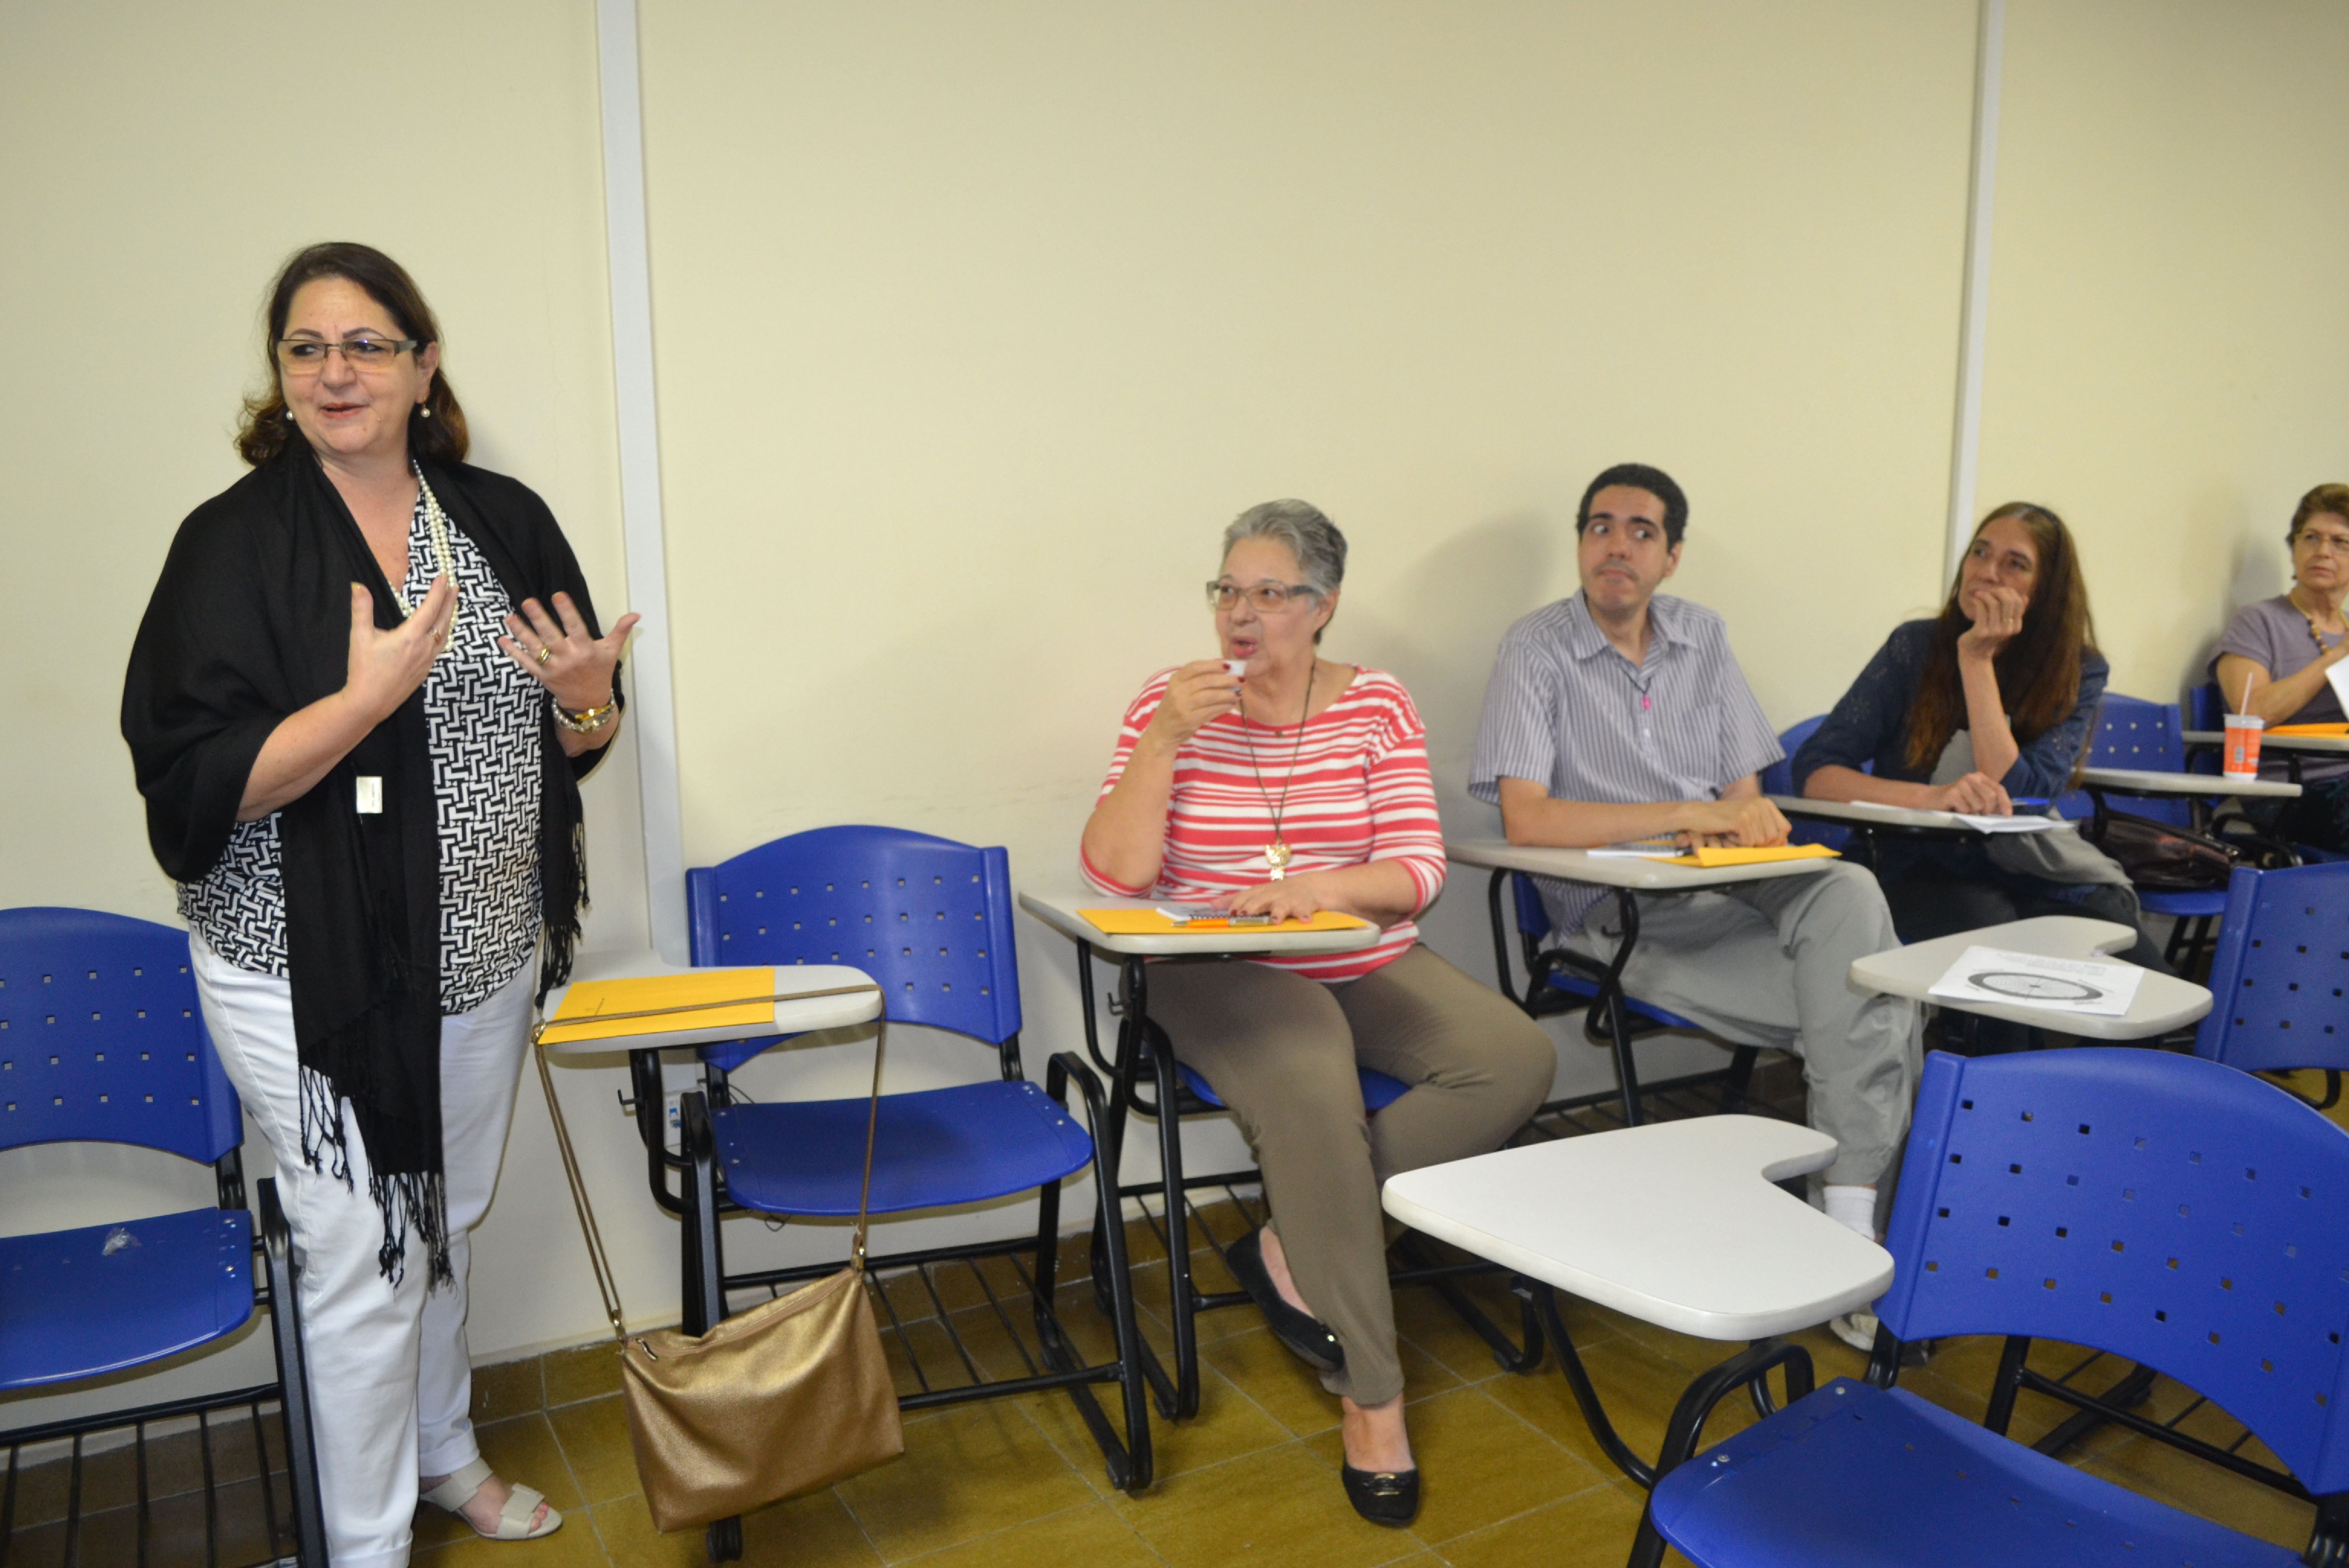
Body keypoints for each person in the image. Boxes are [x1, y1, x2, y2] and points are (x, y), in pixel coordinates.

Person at [122, 243, 639, 1566]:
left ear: (422, 365)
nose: (336, 370)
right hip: (309, 966)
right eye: (307, 347)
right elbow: (194, 783)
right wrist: (362, 702)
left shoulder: (501, 518)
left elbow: (572, 738)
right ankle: (364, 1545)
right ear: (280, 375)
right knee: (363, 1252)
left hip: (482, 951)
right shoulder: (231, 546)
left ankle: (444, 1452)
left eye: (366, 344)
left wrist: (588, 702)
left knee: (439, 1217)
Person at [1080, 500, 1553, 1526]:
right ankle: (1373, 1398)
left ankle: (1295, 1241)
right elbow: (1115, 874)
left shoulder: (1376, 702)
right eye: (1227, 590)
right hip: (1213, 966)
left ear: (1323, 604)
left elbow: (1418, 869)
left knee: (1513, 1056)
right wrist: (1164, 738)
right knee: (1310, 1075)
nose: (1239, 614)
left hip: (1357, 951)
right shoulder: (1168, 703)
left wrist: (1323, 887)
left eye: (1269, 593)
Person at [1467, 462, 1922, 1351]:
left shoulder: (1702, 635)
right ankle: (1851, 1235)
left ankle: (1842, 1232)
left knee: (1851, 892)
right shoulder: (1534, 648)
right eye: (1599, 526)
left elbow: (1743, 797)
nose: (1616, 546)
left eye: (1640, 531)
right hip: (1620, 913)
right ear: (1580, 544)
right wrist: (1684, 812)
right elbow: (1527, 818)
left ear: (1671, 556)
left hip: (1729, 887)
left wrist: (1742, 821)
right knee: (1880, 1006)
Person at [1792, 502, 2169, 973]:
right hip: (1908, 858)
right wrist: (1932, 798)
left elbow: (2022, 796)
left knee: (2123, 944)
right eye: (1980, 553)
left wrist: (1977, 661)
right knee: (1991, 932)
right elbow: (1816, 771)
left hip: (2025, 862)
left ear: (2046, 589)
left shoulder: (2078, 667)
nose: (1987, 572)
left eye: (2015, 564)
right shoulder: (1914, 646)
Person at [2210, 484, 2349, 852]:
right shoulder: (2258, 622)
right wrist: (2335, 656)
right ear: (2294, 548)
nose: (2323, 551)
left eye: (2340, 542)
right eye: (2311, 538)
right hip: (2286, 792)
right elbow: (2252, 712)